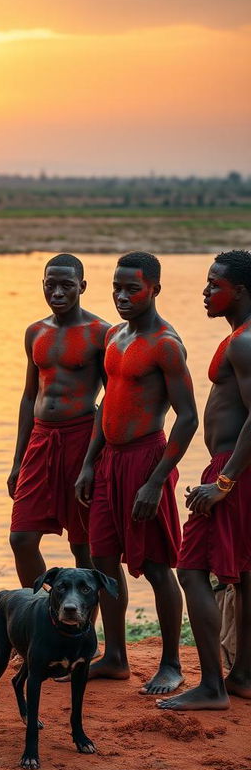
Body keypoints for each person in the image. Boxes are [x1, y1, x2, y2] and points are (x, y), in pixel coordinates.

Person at [76, 251, 198, 695]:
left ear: (155, 290)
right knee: (103, 560)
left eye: (133, 289)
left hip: (147, 461)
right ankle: (115, 656)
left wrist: (155, 480)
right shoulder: (114, 337)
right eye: (117, 288)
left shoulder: (166, 343)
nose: (122, 296)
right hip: (109, 462)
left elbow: (187, 418)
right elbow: (107, 404)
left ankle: (171, 663)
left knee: (157, 563)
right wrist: (90, 462)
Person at [159, 251, 251, 711]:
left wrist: (224, 483)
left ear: (241, 291)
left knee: (190, 568)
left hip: (233, 467)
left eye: (215, 284)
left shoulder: (244, 342)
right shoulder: (239, 338)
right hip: (236, 465)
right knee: (246, 574)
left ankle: (213, 686)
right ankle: (242, 676)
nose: (205, 292)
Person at [8, 254, 110, 586]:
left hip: (81, 437)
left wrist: (93, 461)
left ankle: (82, 626)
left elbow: (112, 400)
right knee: (21, 538)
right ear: (43, 285)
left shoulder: (101, 333)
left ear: (82, 286)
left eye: (67, 285)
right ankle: (42, 613)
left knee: (83, 545)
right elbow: (28, 397)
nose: (58, 293)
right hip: (40, 440)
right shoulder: (35, 332)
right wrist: (17, 460)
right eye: (50, 285)